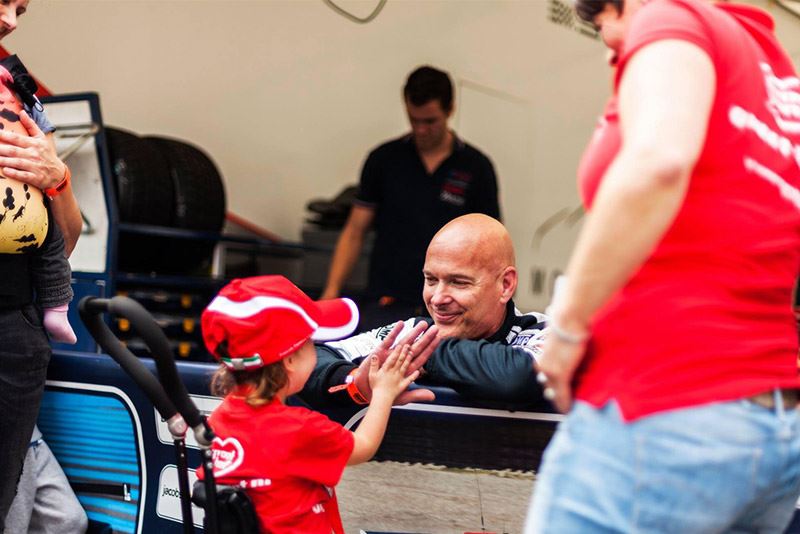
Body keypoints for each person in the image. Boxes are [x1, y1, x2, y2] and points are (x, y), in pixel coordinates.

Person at [525, 0, 800, 532]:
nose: (617, 64)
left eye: (609, 39)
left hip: (662, 408)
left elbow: (658, 160)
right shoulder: (775, 69)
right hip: (769, 420)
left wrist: (567, 327)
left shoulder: (670, 15)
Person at [197, 275, 438, 534]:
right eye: (312, 344)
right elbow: (363, 447)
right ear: (289, 360)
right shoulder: (297, 429)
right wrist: (383, 393)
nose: (317, 351)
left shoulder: (220, 418)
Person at [303, 214, 549, 410]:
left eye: (459, 282)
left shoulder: (546, 333)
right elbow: (308, 360)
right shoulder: (413, 331)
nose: (438, 298)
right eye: (431, 280)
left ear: (505, 285)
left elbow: (517, 379)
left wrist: (424, 354)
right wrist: (355, 382)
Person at [321, 65, 501, 331]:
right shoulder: (383, 159)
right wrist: (331, 292)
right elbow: (354, 231)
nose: (421, 130)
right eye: (414, 120)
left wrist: (491, 307)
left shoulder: (476, 167)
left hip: (450, 308)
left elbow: (491, 245)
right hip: (387, 300)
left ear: (450, 110)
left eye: (430, 121)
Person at [0, 0, 83, 529]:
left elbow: (67, 238)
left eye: (21, 8)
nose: (10, 19)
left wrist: (58, 180)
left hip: (13, 323)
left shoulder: (20, 89)